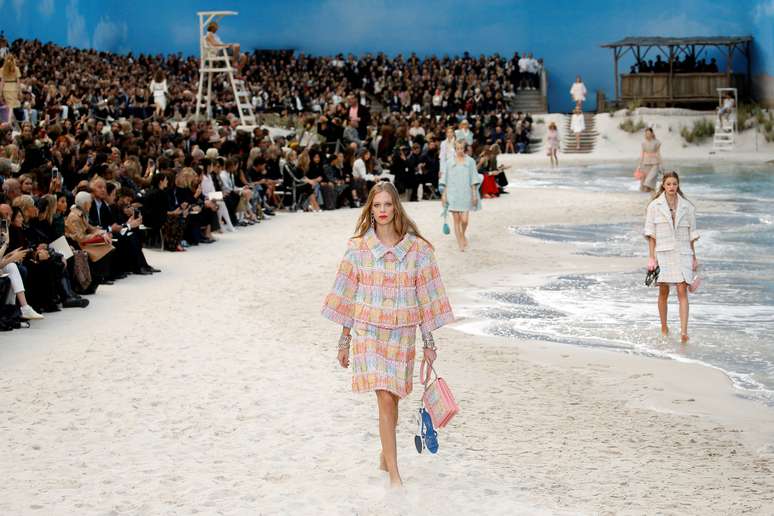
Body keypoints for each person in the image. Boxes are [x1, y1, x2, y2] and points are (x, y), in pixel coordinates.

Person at [321, 181, 454, 488]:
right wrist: (344, 341)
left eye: (387, 204)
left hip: (402, 334)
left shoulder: (418, 250)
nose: (382, 210)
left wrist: (429, 343)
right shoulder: (358, 248)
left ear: (396, 207)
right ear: (370, 209)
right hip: (368, 333)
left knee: (393, 401)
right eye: (377, 205)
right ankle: (395, 475)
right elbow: (347, 294)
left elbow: (427, 297)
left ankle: (385, 455)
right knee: (384, 398)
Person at [644, 171, 699, 343]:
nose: (671, 187)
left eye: (674, 184)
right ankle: (664, 326)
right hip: (663, 253)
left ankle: (684, 332)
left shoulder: (687, 207)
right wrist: (651, 257)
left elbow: (692, 235)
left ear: (678, 185)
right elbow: (651, 235)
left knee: (683, 290)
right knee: (664, 291)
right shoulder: (654, 206)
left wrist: (694, 257)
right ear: (663, 185)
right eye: (668, 184)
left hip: (683, 252)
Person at [440, 141, 481, 251]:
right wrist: (444, 195)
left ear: (464, 148)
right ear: (455, 149)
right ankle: (460, 243)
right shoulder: (449, 162)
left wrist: (474, 195)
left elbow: (474, 178)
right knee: (456, 220)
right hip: (453, 193)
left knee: (465, 220)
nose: (460, 150)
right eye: (458, 148)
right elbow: (445, 179)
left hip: (466, 193)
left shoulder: (470, 162)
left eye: (462, 148)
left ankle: (462, 234)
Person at [638, 127, 662, 192]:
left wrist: (661, 165)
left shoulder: (657, 142)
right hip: (646, 163)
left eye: (649, 133)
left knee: (649, 180)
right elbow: (642, 154)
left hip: (655, 163)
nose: (648, 135)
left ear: (652, 133)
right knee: (646, 186)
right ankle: (647, 196)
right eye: (646, 133)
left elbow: (658, 154)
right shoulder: (643, 143)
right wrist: (639, 165)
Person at [0, 54, 21, 123]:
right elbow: (18, 82)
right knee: (11, 107)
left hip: (5, 88)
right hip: (14, 88)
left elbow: (2, 82)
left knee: (9, 106)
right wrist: (19, 92)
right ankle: (9, 122)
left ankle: (9, 122)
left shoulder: (2, 69)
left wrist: (0, 93)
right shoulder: (16, 69)